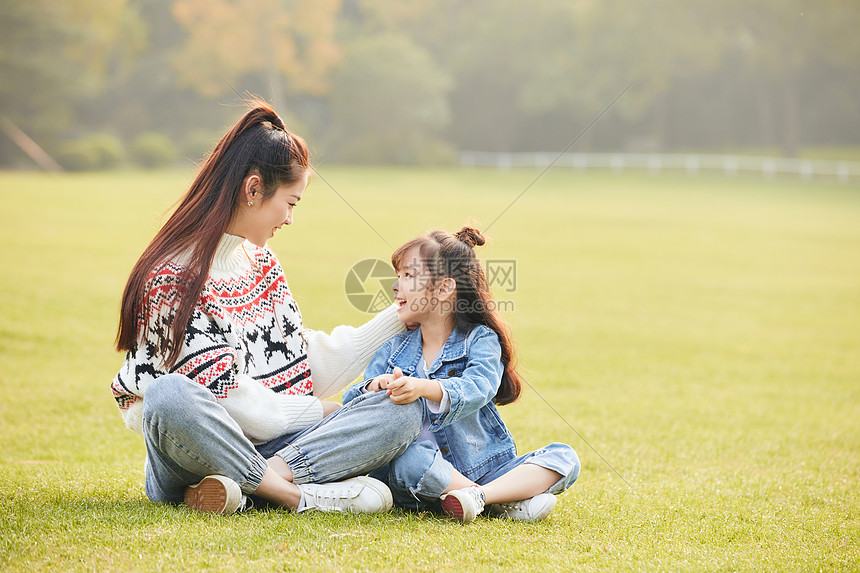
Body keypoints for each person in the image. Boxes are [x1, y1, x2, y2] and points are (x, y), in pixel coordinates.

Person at [111, 100, 424, 515]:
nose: (291, 219)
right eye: (291, 203)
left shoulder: (262, 263)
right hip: (193, 448)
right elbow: (235, 404)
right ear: (253, 189)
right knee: (169, 396)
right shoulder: (174, 278)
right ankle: (296, 496)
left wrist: (400, 316)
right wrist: (327, 410)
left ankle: (240, 487)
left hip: (275, 447)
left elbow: (299, 366)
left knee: (401, 411)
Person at [342, 227, 580, 523]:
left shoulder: (480, 339)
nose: (395, 285)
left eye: (408, 276)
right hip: (422, 476)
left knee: (565, 456)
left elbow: (478, 387)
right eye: (398, 275)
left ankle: (478, 497)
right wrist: (373, 388)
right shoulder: (393, 347)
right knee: (408, 460)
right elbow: (350, 408)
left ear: (443, 289)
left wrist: (424, 388)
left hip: (483, 466)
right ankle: (496, 500)